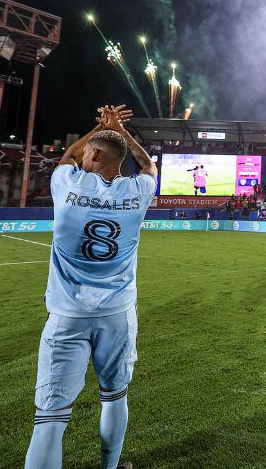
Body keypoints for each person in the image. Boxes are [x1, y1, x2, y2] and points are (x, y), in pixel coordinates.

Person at [24, 104, 158, 469]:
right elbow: (147, 166)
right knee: (114, 397)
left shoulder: (67, 185)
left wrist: (99, 127)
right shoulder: (136, 193)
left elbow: (68, 155)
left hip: (67, 316)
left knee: (50, 419)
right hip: (117, 315)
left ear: (94, 153)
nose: (82, 156)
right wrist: (120, 132)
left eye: (88, 151)